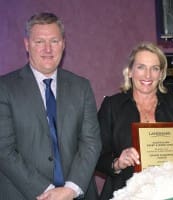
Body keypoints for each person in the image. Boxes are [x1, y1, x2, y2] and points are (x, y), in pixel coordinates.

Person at [0, 12, 101, 200]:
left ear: (63, 44)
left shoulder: (82, 86)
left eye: (54, 41)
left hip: (76, 194)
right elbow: (4, 149)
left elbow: (91, 142)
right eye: (39, 42)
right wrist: (48, 192)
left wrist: (70, 189)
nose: (48, 49)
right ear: (27, 45)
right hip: (24, 194)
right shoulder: (4, 88)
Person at [96, 42, 173, 199]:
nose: (147, 75)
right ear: (130, 72)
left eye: (154, 68)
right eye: (141, 67)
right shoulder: (112, 106)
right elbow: (96, 156)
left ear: (161, 74)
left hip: (168, 192)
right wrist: (117, 163)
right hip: (124, 192)